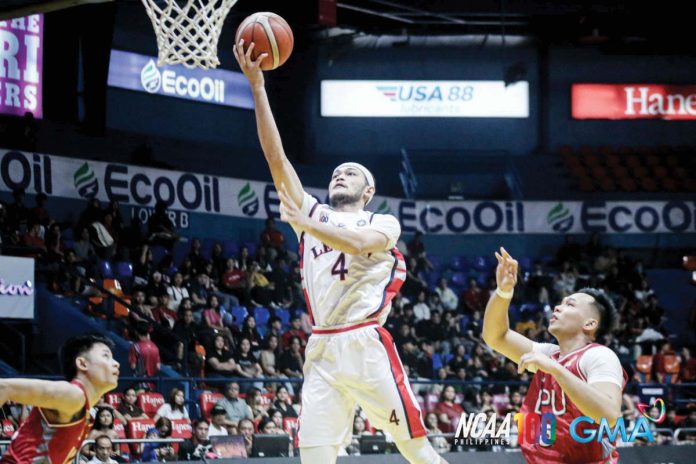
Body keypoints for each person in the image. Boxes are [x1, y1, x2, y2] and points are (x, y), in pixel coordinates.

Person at [234, 39, 446, 464]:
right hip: (322, 347)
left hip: (365, 343)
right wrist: (258, 87)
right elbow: (277, 161)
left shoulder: (381, 222)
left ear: (368, 191)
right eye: (335, 172)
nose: (340, 175)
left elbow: (357, 244)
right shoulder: (311, 210)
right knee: (314, 457)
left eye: (350, 173)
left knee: (415, 448)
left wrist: (306, 223)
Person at [482, 247, 626, 463]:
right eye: (560, 303)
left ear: (589, 323)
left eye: (569, 304)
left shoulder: (599, 356)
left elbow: (609, 414)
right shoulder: (550, 354)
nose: (558, 308)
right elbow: (496, 336)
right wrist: (503, 292)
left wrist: (554, 369)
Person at [0, 334, 120, 464]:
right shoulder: (73, 394)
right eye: (106, 356)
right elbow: (4, 387)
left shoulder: (82, 406)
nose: (116, 363)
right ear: (82, 363)